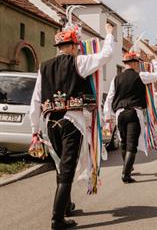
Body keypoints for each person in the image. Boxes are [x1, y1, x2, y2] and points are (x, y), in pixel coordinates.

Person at [30, 23, 114, 229]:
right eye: (76, 46)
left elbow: (36, 99)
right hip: (71, 123)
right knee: (67, 168)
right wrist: (109, 35)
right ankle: (57, 219)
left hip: (51, 124)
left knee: (61, 166)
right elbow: (105, 55)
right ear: (73, 46)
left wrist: (35, 130)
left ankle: (66, 206)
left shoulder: (44, 66)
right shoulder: (79, 62)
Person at [104, 53, 157, 183]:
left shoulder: (116, 78)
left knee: (123, 143)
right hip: (133, 112)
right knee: (132, 144)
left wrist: (107, 115)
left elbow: (110, 97)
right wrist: (154, 60)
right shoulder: (140, 76)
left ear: (125, 63)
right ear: (135, 63)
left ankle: (128, 168)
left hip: (120, 113)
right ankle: (125, 174)